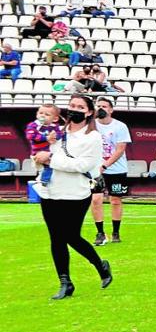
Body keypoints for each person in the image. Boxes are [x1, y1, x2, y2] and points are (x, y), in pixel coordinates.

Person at [31, 93, 113, 299]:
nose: (74, 109)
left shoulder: (92, 137)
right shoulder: (56, 131)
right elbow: (40, 152)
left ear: (89, 113)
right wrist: (39, 158)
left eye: (80, 107)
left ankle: (100, 265)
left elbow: (83, 165)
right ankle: (65, 282)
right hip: (50, 190)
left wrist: (51, 160)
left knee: (70, 235)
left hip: (75, 192)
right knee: (56, 238)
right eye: (71, 105)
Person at [90, 98, 130, 246]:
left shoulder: (120, 126)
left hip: (116, 169)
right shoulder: (91, 126)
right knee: (96, 200)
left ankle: (116, 232)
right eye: (98, 106)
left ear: (111, 109)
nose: (101, 108)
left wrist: (105, 165)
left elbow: (120, 150)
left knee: (115, 200)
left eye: (104, 106)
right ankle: (100, 232)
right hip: (95, 170)